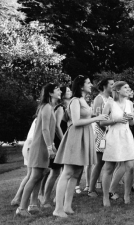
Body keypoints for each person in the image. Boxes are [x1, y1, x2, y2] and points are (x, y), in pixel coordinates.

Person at [52, 76, 109, 218]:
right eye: (88, 83)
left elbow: (84, 116)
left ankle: (67, 206)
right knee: (67, 172)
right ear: (81, 86)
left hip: (84, 136)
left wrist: (97, 114)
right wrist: (97, 118)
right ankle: (58, 208)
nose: (91, 85)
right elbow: (76, 121)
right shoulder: (75, 100)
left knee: (77, 173)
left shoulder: (83, 100)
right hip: (75, 137)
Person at [100, 81, 134, 207]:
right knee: (109, 168)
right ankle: (105, 196)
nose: (128, 89)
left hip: (127, 136)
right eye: (125, 87)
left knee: (130, 166)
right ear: (118, 90)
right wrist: (115, 120)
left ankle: (127, 195)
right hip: (113, 135)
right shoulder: (110, 103)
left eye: (129, 87)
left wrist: (131, 119)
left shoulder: (129, 103)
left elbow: (132, 123)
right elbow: (101, 123)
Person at [14, 84, 60, 217]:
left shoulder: (50, 107)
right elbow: (45, 129)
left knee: (41, 173)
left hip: (44, 146)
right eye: (57, 90)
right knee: (34, 176)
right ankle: (21, 208)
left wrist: (52, 145)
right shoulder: (46, 107)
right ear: (50, 93)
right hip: (40, 146)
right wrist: (50, 147)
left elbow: (50, 129)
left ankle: (33, 205)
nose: (60, 92)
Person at [39, 85, 71, 207]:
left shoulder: (58, 107)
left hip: (59, 140)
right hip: (58, 141)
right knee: (55, 171)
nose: (70, 92)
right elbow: (57, 126)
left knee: (60, 171)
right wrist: (63, 141)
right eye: (67, 91)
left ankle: (56, 198)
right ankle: (46, 199)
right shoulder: (60, 108)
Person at [87, 77, 114, 197]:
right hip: (101, 133)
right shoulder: (99, 99)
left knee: (108, 162)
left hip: (109, 132)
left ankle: (105, 186)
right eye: (111, 84)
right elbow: (98, 118)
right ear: (104, 86)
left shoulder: (111, 99)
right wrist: (106, 130)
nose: (113, 87)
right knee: (99, 162)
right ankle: (91, 189)